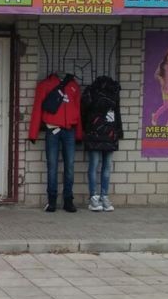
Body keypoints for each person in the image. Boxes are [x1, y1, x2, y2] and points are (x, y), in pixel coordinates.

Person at [28, 72, 83, 213]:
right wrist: (33, 132)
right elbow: (37, 109)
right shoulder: (45, 85)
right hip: (52, 130)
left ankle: (68, 200)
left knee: (69, 166)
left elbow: (78, 111)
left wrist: (79, 134)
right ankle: (51, 201)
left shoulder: (74, 86)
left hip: (69, 131)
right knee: (52, 166)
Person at [81, 75, 124, 212]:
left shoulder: (91, 91)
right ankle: (104, 197)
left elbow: (83, 112)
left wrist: (85, 129)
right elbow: (117, 112)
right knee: (106, 167)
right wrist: (119, 131)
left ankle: (94, 198)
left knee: (94, 166)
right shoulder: (114, 91)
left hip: (94, 133)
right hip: (110, 133)